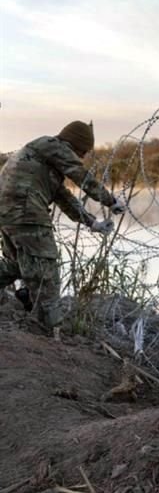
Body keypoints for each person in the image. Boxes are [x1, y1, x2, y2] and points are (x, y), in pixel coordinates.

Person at [0, 121, 124, 338]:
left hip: (9, 214)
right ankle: (50, 329)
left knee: (17, 264)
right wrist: (110, 200)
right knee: (47, 272)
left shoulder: (40, 158)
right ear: (73, 145)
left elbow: (62, 196)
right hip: (27, 213)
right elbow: (80, 175)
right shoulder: (52, 145)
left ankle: (42, 323)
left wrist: (92, 222)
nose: (82, 157)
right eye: (82, 151)